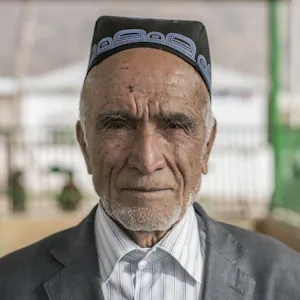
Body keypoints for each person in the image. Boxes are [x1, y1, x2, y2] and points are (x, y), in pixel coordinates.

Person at [0, 16, 299, 300]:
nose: (146, 159)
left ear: (207, 146)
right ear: (84, 144)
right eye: (117, 125)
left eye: (174, 126)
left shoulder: (286, 281)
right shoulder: (11, 284)